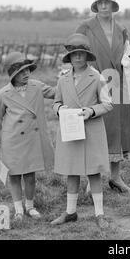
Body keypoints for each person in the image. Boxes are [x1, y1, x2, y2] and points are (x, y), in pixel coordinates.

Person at [51, 33, 112, 229]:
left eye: (82, 54)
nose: (78, 58)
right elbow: (56, 102)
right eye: (74, 54)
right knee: (72, 171)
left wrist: (91, 111)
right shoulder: (63, 79)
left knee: (93, 172)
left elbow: (108, 104)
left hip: (91, 130)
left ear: (87, 56)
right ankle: (70, 212)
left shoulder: (97, 77)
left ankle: (99, 213)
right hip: (70, 131)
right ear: (69, 57)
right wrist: (60, 110)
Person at [75, 0, 130, 193]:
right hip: (94, 83)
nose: (103, 6)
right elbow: (77, 54)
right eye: (100, 3)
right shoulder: (85, 28)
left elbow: (128, 54)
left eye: (107, 2)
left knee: (117, 130)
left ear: (113, 5)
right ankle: (93, 180)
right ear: (95, 5)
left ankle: (116, 177)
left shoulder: (122, 30)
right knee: (95, 130)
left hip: (117, 84)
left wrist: (129, 61)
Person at [0, 52, 55, 222]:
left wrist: (68, 80)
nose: (26, 74)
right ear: (13, 74)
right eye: (21, 71)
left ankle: (30, 206)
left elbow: (56, 93)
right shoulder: (2, 94)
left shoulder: (37, 86)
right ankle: (18, 209)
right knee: (15, 176)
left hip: (32, 139)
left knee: (30, 176)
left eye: (28, 70)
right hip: (13, 141)